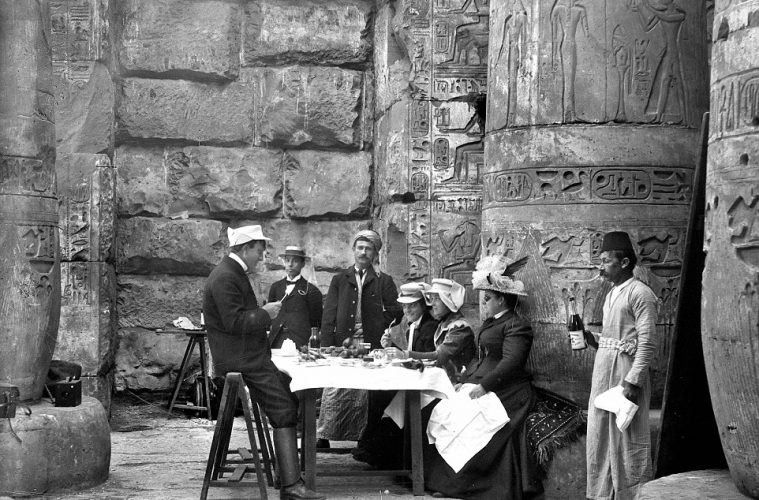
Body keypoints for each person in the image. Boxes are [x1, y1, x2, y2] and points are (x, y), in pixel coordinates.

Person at [203, 225, 325, 500]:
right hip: (243, 359)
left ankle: (287, 474)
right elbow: (234, 321)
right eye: (259, 250)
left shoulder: (231, 273)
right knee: (284, 407)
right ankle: (291, 486)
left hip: (247, 356)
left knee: (288, 395)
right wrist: (265, 314)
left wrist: (260, 314)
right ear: (245, 248)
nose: (261, 256)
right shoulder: (226, 276)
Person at [424, 255, 542, 499]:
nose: (484, 304)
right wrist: (466, 381)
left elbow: (511, 362)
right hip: (483, 384)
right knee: (445, 408)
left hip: (509, 390)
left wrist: (484, 386)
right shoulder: (492, 323)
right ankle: (443, 481)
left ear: (501, 299)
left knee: (469, 418)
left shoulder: (516, 325)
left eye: (487, 299)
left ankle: (461, 485)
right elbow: (482, 358)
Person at [586, 231, 659, 500]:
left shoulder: (641, 293)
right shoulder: (611, 295)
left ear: (625, 263)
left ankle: (633, 496)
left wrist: (633, 381)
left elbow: (648, 342)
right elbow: (613, 338)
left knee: (628, 437)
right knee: (601, 434)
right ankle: (604, 495)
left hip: (625, 375)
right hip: (603, 374)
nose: (601, 266)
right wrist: (590, 338)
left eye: (606, 261)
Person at [316, 229, 403, 448]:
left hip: (371, 344)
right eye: (360, 248)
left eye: (368, 249)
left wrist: (378, 323)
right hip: (344, 343)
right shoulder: (340, 279)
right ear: (353, 250)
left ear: (375, 253)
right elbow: (329, 314)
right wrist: (327, 344)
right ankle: (324, 435)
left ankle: (363, 438)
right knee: (335, 387)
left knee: (365, 392)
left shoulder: (384, 281)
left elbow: (396, 311)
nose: (363, 252)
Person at [354, 282, 440, 468]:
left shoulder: (429, 327)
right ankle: (373, 449)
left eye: (412, 305)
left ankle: (380, 454)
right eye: (405, 306)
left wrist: (396, 351)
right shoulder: (408, 322)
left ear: (423, 305)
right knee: (376, 392)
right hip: (410, 376)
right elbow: (404, 351)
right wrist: (389, 345)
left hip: (425, 381)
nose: (407, 310)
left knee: (382, 394)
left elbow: (421, 357)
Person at [409, 278, 475, 381]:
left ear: (447, 301)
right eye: (432, 298)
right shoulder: (445, 323)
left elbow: (439, 356)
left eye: (437, 299)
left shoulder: (460, 327)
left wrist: (406, 354)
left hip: (461, 382)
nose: (433, 304)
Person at [268, 245, 323, 349]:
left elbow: (316, 322)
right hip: (276, 341)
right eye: (287, 260)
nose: (290, 264)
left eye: (295, 261)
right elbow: (269, 316)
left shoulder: (311, 290)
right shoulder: (275, 287)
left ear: (302, 264)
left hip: (300, 342)